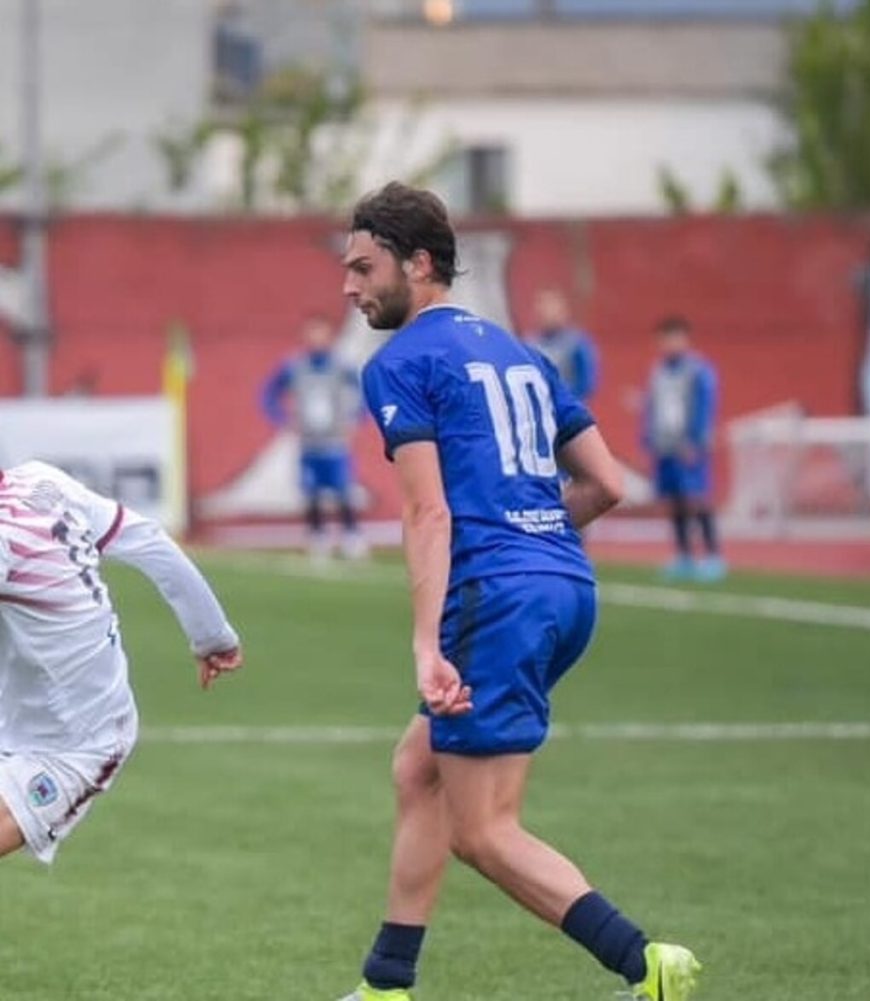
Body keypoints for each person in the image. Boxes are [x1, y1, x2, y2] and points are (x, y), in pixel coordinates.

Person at [339, 181, 701, 1001]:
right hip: (565, 587)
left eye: (363, 268)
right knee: (418, 768)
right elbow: (607, 483)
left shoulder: (399, 362)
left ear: (418, 263)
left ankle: (647, 964)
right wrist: (532, 534)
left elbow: (428, 512)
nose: (349, 287)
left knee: (484, 832)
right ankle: (387, 984)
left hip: (495, 599)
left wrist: (427, 645)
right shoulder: (521, 354)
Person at [0, 460, 242, 864]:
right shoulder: (41, 481)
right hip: (17, 722)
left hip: (75, 744)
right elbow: (150, 540)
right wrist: (213, 636)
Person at [262, 313, 369, 560]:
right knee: (311, 492)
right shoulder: (294, 366)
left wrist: (356, 419)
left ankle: (351, 536)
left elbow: (363, 391)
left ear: (329, 336)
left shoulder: (340, 366)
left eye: (320, 332)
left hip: (335, 441)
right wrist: (282, 419)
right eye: (312, 333)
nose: (316, 338)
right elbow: (268, 393)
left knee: (342, 489)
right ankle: (317, 536)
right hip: (308, 442)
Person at [643, 315, 726, 581]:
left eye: (675, 338)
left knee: (697, 498)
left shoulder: (699, 371)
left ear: (685, 339)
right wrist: (647, 440)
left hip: (689, 446)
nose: (670, 344)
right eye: (665, 339)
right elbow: (650, 408)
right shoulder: (657, 372)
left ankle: (713, 555)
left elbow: (705, 406)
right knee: (675, 501)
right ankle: (684, 555)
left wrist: (695, 440)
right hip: (664, 445)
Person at [524, 287, 600, 403]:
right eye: (542, 308)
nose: (546, 313)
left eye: (551, 308)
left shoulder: (576, 343)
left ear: (562, 311)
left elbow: (587, 384)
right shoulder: (529, 344)